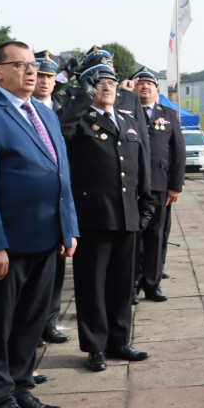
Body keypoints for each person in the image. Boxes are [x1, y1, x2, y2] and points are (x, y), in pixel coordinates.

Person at [0, 41, 79, 408]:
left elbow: (62, 176)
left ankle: (22, 387)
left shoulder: (45, 114)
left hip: (47, 237)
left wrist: (69, 227)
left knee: (31, 320)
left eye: (34, 65)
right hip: (8, 243)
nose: (31, 71)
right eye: (21, 64)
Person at [59, 63, 154, 372]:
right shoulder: (78, 120)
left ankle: (119, 340)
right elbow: (60, 136)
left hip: (127, 215)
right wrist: (80, 98)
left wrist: (147, 203)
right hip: (93, 216)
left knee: (121, 284)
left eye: (111, 82)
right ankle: (95, 346)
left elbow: (142, 162)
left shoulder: (128, 119)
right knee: (92, 285)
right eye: (99, 82)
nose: (107, 86)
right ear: (90, 88)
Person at [132, 68, 185, 302]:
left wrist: (176, 186)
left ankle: (152, 285)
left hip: (160, 186)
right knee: (132, 239)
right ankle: (131, 285)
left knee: (155, 238)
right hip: (131, 187)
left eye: (149, 84)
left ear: (156, 89)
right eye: (140, 83)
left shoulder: (169, 114)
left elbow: (178, 152)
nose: (144, 87)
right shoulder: (125, 112)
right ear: (133, 89)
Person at [31, 51, 70, 345]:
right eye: (41, 75)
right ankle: (31, 326)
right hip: (32, 204)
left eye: (50, 77)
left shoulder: (63, 108)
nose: (45, 81)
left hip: (61, 198)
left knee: (57, 266)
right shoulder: (21, 109)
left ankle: (50, 321)